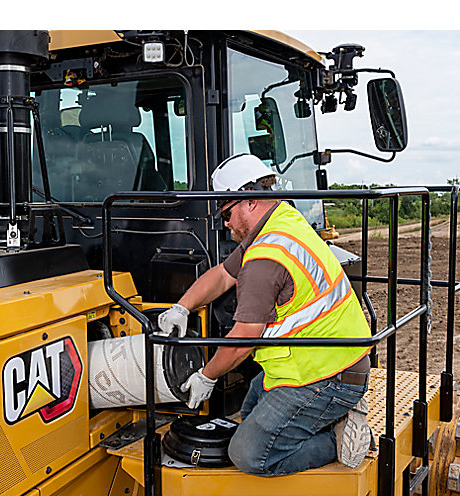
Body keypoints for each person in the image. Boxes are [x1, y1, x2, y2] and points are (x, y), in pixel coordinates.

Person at [158, 154, 373, 476]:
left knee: (249, 454)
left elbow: (244, 338)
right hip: (321, 359)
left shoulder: (265, 259)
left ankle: (338, 439)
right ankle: (332, 414)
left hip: (329, 376)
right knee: (248, 411)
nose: (225, 222)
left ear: (250, 200)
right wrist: (181, 307)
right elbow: (221, 275)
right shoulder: (282, 221)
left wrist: (207, 376)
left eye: (226, 212)